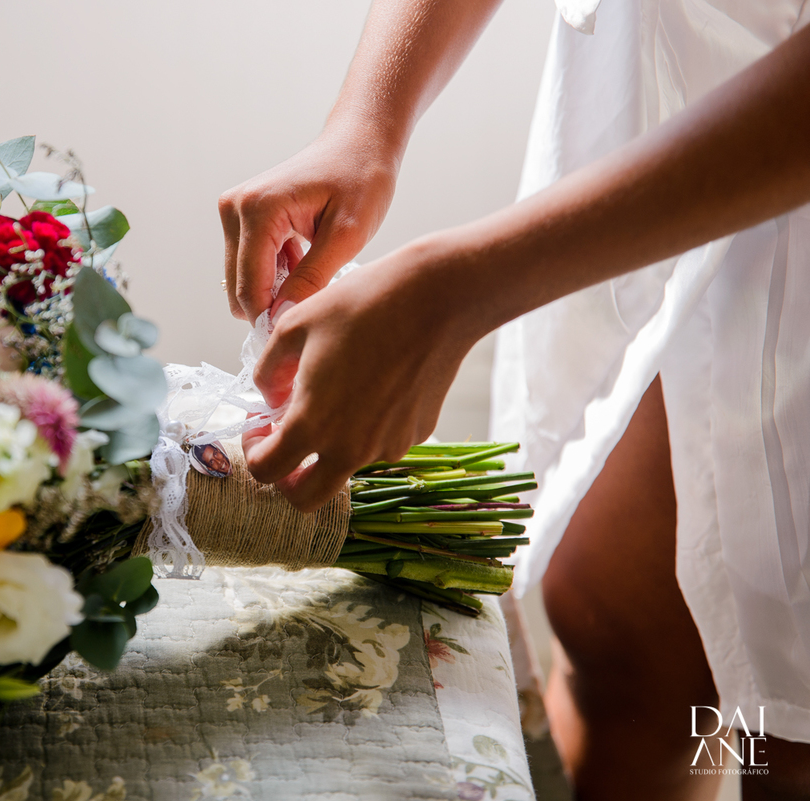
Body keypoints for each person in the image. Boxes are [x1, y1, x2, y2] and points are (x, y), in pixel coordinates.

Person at [218, 0, 810, 798]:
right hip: (663, 115)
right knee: (618, 634)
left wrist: (461, 292)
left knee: (791, 742)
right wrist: (368, 120)